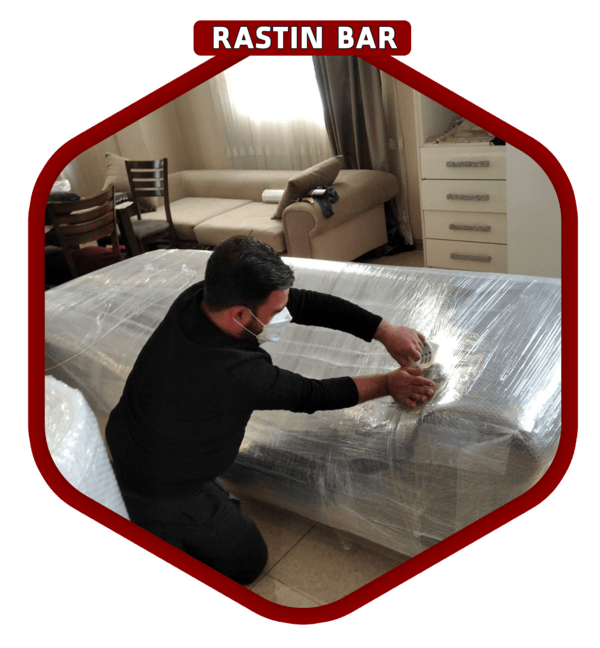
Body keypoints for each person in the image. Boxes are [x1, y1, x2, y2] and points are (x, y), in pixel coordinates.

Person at [106, 236, 435, 584]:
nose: (284, 316)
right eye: (276, 313)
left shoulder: (201, 298)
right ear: (239, 314)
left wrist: (384, 330)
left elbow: (303, 303)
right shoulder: (234, 372)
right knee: (248, 561)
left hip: (133, 434)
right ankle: (154, 528)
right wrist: (387, 384)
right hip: (162, 483)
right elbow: (311, 394)